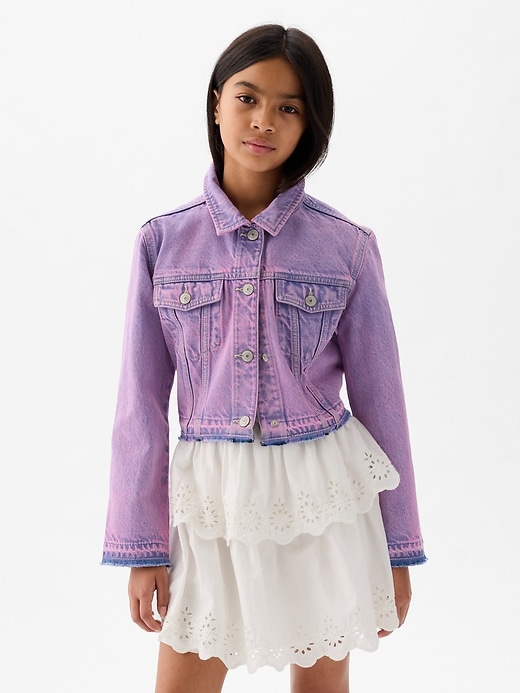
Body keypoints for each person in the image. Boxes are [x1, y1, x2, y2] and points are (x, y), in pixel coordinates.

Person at [102, 23, 426, 693]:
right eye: (248, 98)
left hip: (323, 498)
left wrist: (398, 549)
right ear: (217, 102)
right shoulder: (163, 242)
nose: (264, 121)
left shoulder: (347, 247)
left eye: (289, 107)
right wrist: (142, 545)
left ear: (310, 125)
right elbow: (139, 405)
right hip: (210, 503)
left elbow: (384, 404)